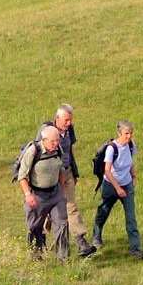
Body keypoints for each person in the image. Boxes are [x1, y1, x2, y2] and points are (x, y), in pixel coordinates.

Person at [37, 104, 96, 258]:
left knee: (71, 206)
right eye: (66, 120)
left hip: (67, 173)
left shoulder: (69, 130)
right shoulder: (47, 131)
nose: (69, 123)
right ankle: (39, 241)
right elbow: (38, 153)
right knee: (48, 210)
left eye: (70, 120)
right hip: (51, 176)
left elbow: (70, 151)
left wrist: (74, 173)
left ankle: (81, 241)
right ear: (57, 119)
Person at [92, 120, 143, 259]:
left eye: (131, 133)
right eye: (126, 133)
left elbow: (130, 161)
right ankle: (96, 236)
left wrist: (133, 176)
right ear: (119, 133)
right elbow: (107, 171)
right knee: (104, 211)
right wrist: (117, 188)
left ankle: (135, 249)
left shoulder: (131, 145)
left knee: (131, 218)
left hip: (127, 185)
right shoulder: (111, 149)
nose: (129, 136)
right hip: (110, 185)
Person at [16, 125, 68, 262]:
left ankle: (63, 259)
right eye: (53, 141)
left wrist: (62, 191)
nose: (56, 144)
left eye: (57, 140)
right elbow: (22, 176)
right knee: (35, 227)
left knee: (62, 224)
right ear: (44, 140)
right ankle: (36, 257)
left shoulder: (58, 150)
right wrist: (28, 194)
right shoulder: (34, 151)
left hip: (56, 194)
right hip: (38, 195)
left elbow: (62, 169)